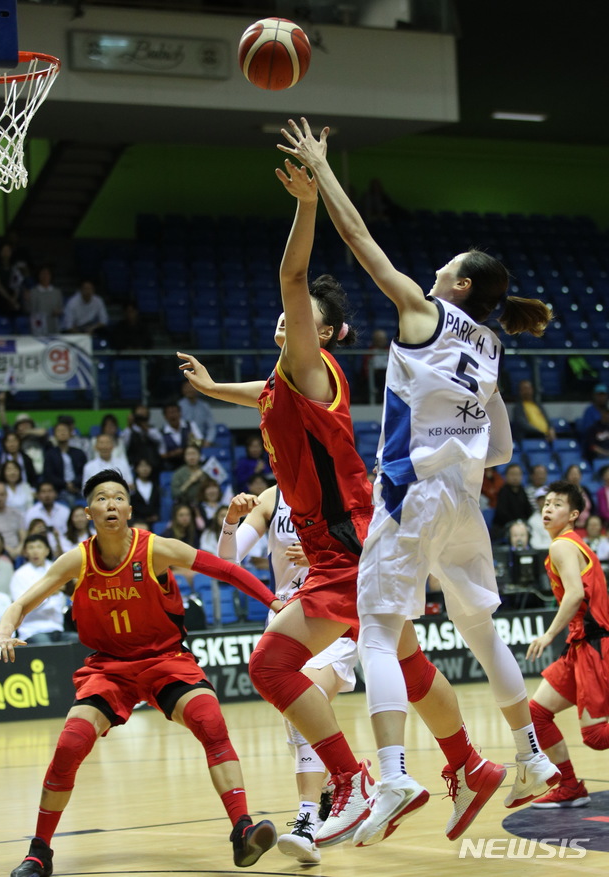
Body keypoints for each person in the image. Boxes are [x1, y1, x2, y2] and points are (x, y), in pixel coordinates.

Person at [178, 157, 508, 849]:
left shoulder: (306, 364)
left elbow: (292, 278)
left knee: (269, 665)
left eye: (304, 321)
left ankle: (355, 777)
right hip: (356, 532)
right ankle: (470, 764)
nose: (289, 318)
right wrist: (213, 390)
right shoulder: (277, 382)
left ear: (321, 335)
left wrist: (305, 204)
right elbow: (259, 394)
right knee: (409, 664)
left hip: (346, 538)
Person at [278, 116, 560, 845]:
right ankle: (527, 753)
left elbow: (361, 243)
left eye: (447, 266)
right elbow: (499, 446)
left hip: (411, 491)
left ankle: (395, 772)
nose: (434, 269)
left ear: (459, 283)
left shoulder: (425, 312)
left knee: (376, 629)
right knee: (478, 628)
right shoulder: (493, 343)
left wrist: (322, 170)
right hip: (465, 500)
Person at [0, 469, 281, 875]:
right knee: (70, 745)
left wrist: (272, 601)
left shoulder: (156, 549)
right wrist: (5, 631)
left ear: (128, 508)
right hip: (109, 668)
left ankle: (243, 830)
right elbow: (20, 604)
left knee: (210, 720)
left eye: (119, 497)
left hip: (164, 660)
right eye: (102, 498)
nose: (111, 503)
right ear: (88, 512)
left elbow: (226, 570)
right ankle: (39, 851)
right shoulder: (78, 559)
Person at [219, 486, 359, 864]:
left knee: (306, 698)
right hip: (287, 620)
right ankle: (335, 783)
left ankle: (307, 821)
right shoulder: (270, 498)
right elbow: (227, 559)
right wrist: (231, 521)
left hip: (331, 618)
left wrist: (321, 555)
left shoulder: (338, 489)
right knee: (299, 718)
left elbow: (365, 551)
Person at [525, 480, 609, 808]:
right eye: (546, 503)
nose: (548, 508)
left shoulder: (562, 546)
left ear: (573, 515)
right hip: (579, 647)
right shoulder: (571, 544)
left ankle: (571, 786)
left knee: (596, 737)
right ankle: (570, 786)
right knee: (537, 713)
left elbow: (574, 593)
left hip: (593, 646)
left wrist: (548, 635)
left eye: (557, 504)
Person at [9, 533, 79, 645]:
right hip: (33, 631)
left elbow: (62, 601)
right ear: (25, 552)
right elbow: (21, 607)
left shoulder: (56, 568)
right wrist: (49, 592)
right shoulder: (19, 575)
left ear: (46, 551)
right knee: (46, 644)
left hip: (57, 629)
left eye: (39, 547)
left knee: (81, 641)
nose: (35, 551)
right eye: (31, 548)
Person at [43, 422, 88, 508]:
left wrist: (74, 484)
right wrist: (66, 485)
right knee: (70, 500)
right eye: (59, 431)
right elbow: (49, 475)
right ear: (54, 435)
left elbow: (84, 473)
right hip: (59, 490)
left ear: (70, 434)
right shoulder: (50, 454)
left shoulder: (79, 453)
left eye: (65, 430)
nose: (62, 433)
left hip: (79, 488)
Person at [492, 463, 533, 539]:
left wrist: (521, 522)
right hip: (504, 526)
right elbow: (502, 513)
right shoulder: (503, 491)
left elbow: (529, 510)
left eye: (517, 474)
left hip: (521, 524)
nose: (515, 477)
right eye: (512, 474)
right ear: (506, 476)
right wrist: (515, 523)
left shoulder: (522, 491)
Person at [158, 401, 202, 471]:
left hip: (191, 461)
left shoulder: (190, 425)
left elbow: (200, 442)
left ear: (180, 413)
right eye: (170, 413)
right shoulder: (162, 433)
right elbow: (162, 454)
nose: (173, 415)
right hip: (172, 465)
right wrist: (173, 454)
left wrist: (191, 443)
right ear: (165, 416)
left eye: (175, 412)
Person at [511, 379, 556, 443]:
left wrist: (551, 429)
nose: (527, 391)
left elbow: (547, 419)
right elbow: (523, 424)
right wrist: (541, 432)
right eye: (524, 389)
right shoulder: (518, 408)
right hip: (531, 437)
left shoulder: (537, 405)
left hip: (546, 436)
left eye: (529, 388)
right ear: (520, 392)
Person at [121, 404, 162, 474]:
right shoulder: (129, 430)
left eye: (144, 413)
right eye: (139, 414)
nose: (141, 415)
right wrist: (129, 426)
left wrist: (145, 428)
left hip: (152, 466)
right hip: (134, 466)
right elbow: (123, 445)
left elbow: (159, 440)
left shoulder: (152, 429)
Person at [26, 265, 63, 335]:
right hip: (39, 328)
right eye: (42, 274)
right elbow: (30, 310)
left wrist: (59, 311)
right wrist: (27, 301)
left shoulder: (57, 292)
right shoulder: (33, 292)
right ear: (38, 276)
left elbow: (60, 308)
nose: (45, 276)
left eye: (47, 274)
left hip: (53, 325)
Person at [179, 379, 216, 447]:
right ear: (182, 390)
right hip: (184, 444)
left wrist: (208, 441)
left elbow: (211, 427)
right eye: (187, 387)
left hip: (203, 443)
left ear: (198, 388)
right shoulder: (179, 406)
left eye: (192, 387)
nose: (190, 390)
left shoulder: (205, 406)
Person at [129, 458, 160, 530]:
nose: (145, 469)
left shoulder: (155, 486)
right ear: (136, 468)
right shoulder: (132, 486)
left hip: (152, 522)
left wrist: (155, 516)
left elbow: (157, 504)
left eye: (147, 466)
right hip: (136, 521)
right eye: (142, 466)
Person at [563, 464, 593, 529]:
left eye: (577, 474)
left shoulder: (585, 489)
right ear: (567, 476)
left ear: (580, 476)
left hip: (588, 526)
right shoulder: (564, 492)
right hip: (572, 526)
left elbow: (593, 508)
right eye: (572, 474)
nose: (575, 476)